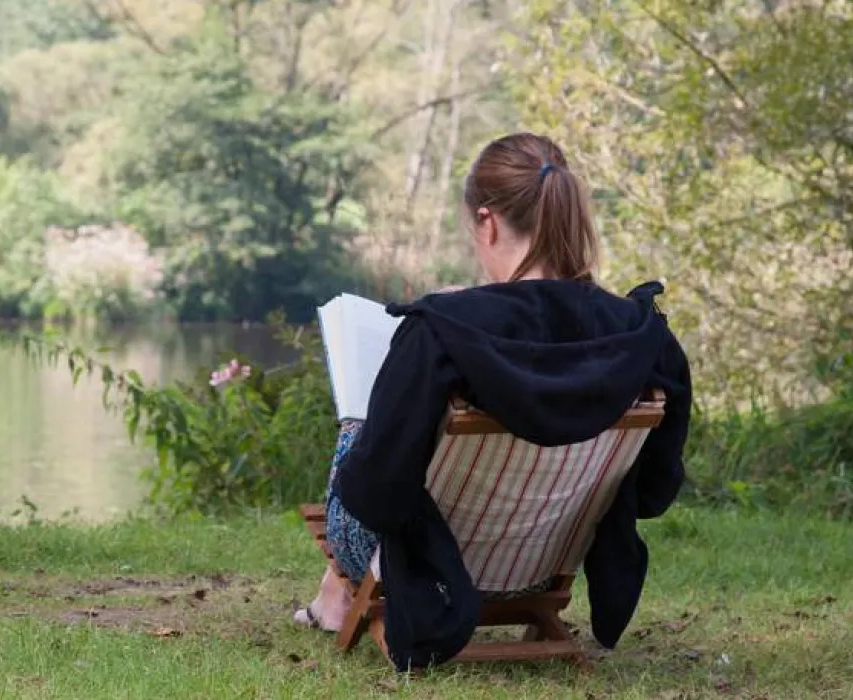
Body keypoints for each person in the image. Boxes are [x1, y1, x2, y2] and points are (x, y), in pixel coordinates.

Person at [292, 133, 693, 671]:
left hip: (434, 567)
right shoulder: (642, 332)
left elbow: (376, 495)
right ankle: (333, 596)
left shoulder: (439, 331)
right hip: (548, 560)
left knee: (362, 434)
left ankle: (335, 594)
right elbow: (653, 492)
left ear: (488, 221)